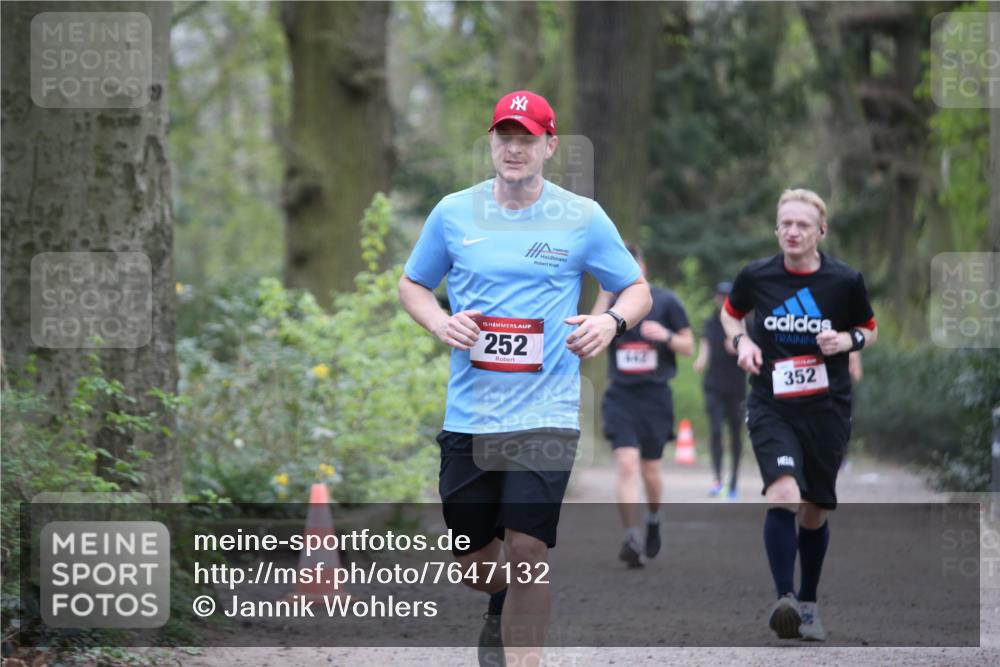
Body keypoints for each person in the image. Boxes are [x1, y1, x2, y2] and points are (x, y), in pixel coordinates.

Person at [398, 90, 651, 667]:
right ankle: (500, 601)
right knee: (475, 565)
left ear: (549, 146)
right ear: (491, 142)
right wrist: (440, 322)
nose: (514, 149)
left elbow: (636, 288)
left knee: (529, 547)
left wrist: (609, 322)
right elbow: (412, 284)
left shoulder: (582, 218)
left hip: (546, 413)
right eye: (505, 137)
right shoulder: (453, 213)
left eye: (527, 139)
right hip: (471, 414)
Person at [719, 188, 877, 642]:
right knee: (784, 492)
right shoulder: (757, 276)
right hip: (771, 403)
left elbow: (869, 328)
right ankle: (784, 598)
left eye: (802, 225)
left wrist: (845, 341)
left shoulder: (844, 281)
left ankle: (808, 603)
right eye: (785, 223)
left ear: (820, 231)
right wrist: (742, 342)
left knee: (814, 509)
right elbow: (731, 315)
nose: (792, 231)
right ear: (776, 229)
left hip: (827, 407)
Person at [591, 245, 693, 568]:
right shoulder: (610, 306)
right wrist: (604, 296)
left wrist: (665, 336)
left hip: (655, 396)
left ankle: (653, 518)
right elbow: (589, 336)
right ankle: (630, 537)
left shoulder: (666, 301)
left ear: (641, 268)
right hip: (620, 395)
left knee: (650, 470)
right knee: (626, 465)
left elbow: (689, 346)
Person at [693, 282, 747, 500]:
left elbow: (752, 350)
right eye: (720, 296)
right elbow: (705, 346)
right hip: (714, 385)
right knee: (715, 431)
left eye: (727, 296)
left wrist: (738, 347)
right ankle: (717, 479)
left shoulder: (742, 322)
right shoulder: (710, 322)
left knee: (735, 433)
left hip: (736, 387)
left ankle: (733, 482)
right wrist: (700, 361)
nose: (723, 300)